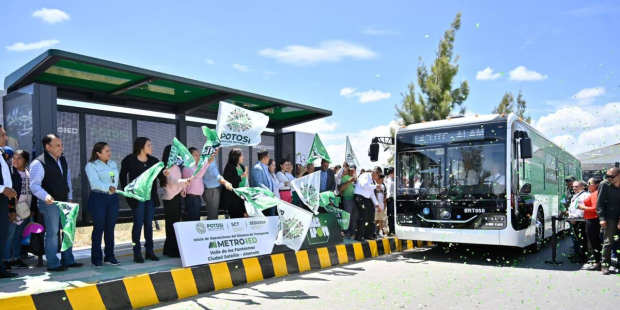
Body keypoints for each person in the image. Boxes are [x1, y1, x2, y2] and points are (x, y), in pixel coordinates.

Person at [30, 134, 83, 272]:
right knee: (53, 232)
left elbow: (68, 180)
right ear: (48, 147)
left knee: (68, 231)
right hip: (50, 203)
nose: (62, 148)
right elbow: (34, 185)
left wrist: (70, 197)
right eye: (58, 145)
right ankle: (53, 263)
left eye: (62, 145)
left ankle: (68, 260)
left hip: (65, 201)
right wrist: (46, 196)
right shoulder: (38, 163)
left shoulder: (63, 160)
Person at [120, 137, 162, 263]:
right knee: (138, 224)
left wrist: (165, 174)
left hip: (150, 198)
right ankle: (136, 252)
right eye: (149, 145)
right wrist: (128, 194)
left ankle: (149, 251)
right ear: (141, 147)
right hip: (137, 198)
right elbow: (122, 177)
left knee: (148, 224)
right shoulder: (129, 160)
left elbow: (160, 176)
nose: (152, 147)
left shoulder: (154, 161)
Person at [85, 142, 120, 268]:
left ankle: (110, 256)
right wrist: (108, 188)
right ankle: (96, 259)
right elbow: (94, 183)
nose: (109, 153)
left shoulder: (113, 164)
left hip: (113, 198)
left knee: (110, 228)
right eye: (106, 151)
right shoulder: (91, 165)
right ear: (98, 153)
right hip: (98, 198)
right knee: (99, 228)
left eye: (109, 150)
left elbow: (114, 180)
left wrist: (112, 188)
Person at [160, 145, 192, 258]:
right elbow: (173, 181)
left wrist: (183, 187)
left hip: (177, 197)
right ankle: (171, 250)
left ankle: (169, 249)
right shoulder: (166, 168)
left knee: (175, 223)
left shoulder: (176, 167)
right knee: (172, 224)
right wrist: (185, 181)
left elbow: (178, 183)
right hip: (170, 198)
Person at [4, 150, 32, 271]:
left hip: (25, 210)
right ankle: (6, 260)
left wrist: (32, 209)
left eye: (19, 158)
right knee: (9, 235)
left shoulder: (28, 173)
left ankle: (16, 258)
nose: (15, 160)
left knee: (18, 235)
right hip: (14, 210)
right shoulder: (11, 173)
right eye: (14, 158)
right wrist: (11, 209)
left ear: (25, 161)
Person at [0, 126, 18, 278]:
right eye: (2, 135)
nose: (6, 138)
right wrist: (2, 189)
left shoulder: (1, 155)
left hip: (3, 201)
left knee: (2, 234)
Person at [597, 168, 620, 275]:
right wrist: (601, 218)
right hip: (609, 217)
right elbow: (599, 203)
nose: (609, 178)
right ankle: (605, 265)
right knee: (608, 241)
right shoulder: (604, 184)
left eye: (612, 176)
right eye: (607, 176)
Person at [182, 147, 214, 221]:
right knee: (193, 221)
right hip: (191, 198)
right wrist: (208, 163)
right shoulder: (188, 167)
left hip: (196, 198)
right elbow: (198, 175)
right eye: (196, 155)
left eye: (199, 155)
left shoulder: (196, 166)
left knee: (196, 220)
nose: (198, 157)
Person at [202, 149, 233, 220]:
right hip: (212, 190)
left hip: (210, 189)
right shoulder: (209, 160)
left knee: (212, 215)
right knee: (213, 217)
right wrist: (225, 182)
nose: (217, 150)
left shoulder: (208, 158)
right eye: (215, 148)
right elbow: (216, 175)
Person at [578, 178, 602, 271]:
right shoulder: (594, 193)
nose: (588, 185)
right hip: (591, 219)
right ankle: (598, 261)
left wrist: (583, 207)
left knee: (594, 241)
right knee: (594, 241)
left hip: (592, 219)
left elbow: (595, 208)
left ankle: (597, 263)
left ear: (596, 184)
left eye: (590, 183)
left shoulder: (595, 194)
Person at [354, 167, 381, 241]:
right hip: (359, 197)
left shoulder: (373, 181)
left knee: (371, 215)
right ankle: (359, 236)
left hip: (366, 199)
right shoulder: (366, 175)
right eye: (378, 176)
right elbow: (364, 185)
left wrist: (377, 204)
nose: (377, 178)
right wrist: (375, 186)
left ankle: (367, 234)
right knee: (364, 216)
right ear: (375, 173)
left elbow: (372, 193)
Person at [220, 149, 248, 218]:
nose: (243, 157)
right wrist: (241, 176)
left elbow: (245, 180)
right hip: (233, 197)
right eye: (241, 155)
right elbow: (228, 181)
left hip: (241, 196)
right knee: (235, 216)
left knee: (242, 216)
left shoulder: (242, 167)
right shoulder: (229, 167)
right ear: (236, 157)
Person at [567, 180, 589, 264]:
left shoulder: (585, 195)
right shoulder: (576, 195)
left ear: (582, 187)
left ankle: (583, 257)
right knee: (578, 239)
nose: (574, 188)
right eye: (573, 186)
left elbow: (582, 208)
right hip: (575, 220)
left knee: (582, 239)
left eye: (576, 186)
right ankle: (580, 255)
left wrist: (575, 217)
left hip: (580, 221)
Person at [251, 150, 275, 216]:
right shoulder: (257, 168)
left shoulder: (265, 167)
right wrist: (269, 192)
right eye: (268, 157)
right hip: (262, 200)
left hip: (269, 199)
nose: (269, 159)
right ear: (265, 157)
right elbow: (259, 184)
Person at [339, 164, 358, 239]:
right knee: (348, 217)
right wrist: (349, 181)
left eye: (353, 170)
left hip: (355, 200)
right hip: (347, 199)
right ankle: (346, 232)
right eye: (350, 170)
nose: (351, 171)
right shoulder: (344, 178)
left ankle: (352, 232)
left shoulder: (357, 178)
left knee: (354, 217)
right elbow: (341, 188)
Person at [375, 174, 386, 238]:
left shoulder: (383, 186)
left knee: (380, 219)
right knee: (375, 219)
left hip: (381, 205)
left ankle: (380, 231)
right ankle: (375, 231)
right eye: (381, 179)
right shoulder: (374, 185)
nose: (382, 180)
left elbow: (384, 195)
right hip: (375, 205)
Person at [385, 167, 395, 236]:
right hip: (390, 199)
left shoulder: (395, 180)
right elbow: (388, 191)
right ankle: (391, 230)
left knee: (394, 215)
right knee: (390, 215)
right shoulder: (388, 180)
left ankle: (394, 229)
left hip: (395, 199)